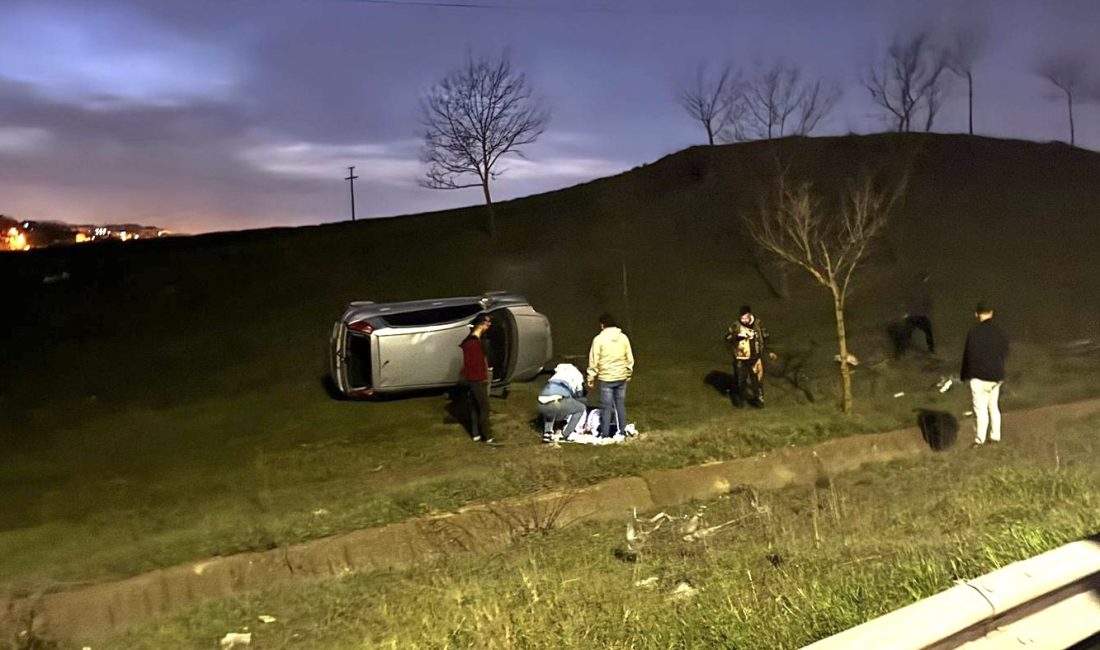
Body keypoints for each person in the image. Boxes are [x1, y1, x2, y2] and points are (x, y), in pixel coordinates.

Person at [960, 301, 1009, 447]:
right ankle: (996, 436)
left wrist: (964, 375)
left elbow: (967, 355)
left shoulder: (974, 332)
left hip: (979, 377)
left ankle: (979, 439)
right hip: (996, 376)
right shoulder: (999, 331)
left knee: (980, 409)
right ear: (991, 313)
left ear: (976, 314)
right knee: (993, 406)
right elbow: (1005, 351)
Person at [586, 314, 634, 438]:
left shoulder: (598, 339)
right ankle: (622, 432)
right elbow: (629, 358)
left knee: (606, 407)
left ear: (602, 325)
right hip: (621, 377)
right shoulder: (623, 338)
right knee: (620, 405)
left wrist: (591, 377)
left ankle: (605, 435)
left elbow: (594, 360)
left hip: (606, 378)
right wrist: (628, 373)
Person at [725, 305, 769, 408]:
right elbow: (727, 338)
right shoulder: (736, 326)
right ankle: (740, 402)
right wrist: (737, 337)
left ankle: (759, 401)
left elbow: (766, 336)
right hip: (741, 359)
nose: (744, 320)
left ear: (750, 315)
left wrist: (766, 349)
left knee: (757, 381)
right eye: (742, 318)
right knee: (741, 382)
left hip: (755, 358)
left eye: (745, 317)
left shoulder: (758, 323)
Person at [459, 314, 493, 443]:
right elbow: (475, 364)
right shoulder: (474, 344)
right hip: (477, 380)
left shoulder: (470, 342)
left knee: (474, 407)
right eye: (487, 322)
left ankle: (476, 434)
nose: (489, 325)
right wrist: (483, 378)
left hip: (471, 379)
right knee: (484, 408)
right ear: (480, 324)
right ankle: (487, 435)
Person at [536, 363, 587, 444]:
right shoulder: (577, 375)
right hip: (559, 401)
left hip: (541, 401)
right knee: (581, 408)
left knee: (550, 408)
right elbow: (579, 394)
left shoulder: (558, 373)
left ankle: (547, 433)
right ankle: (565, 435)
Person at [900, 271, 935, 356]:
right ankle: (931, 351)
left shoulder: (910, 288)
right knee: (928, 332)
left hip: (911, 314)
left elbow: (905, 300)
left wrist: (905, 312)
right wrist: (927, 310)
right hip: (920, 315)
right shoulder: (924, 289)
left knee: (907, 333)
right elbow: (928, 302)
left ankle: (902, 352)